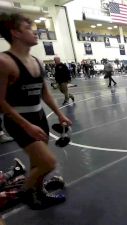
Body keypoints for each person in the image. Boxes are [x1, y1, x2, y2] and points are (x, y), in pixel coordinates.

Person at [0, 13, 71, 209]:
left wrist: (59, 113)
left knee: (37, 162)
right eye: (29, 29)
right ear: (15, 33)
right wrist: (26, 125)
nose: (35, 32)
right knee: (48, 162)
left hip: (39, 117)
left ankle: (39, 193)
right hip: (19, 119)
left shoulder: (37, 61)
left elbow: (45, 93)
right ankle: (23, 194)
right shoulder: (4, 62)